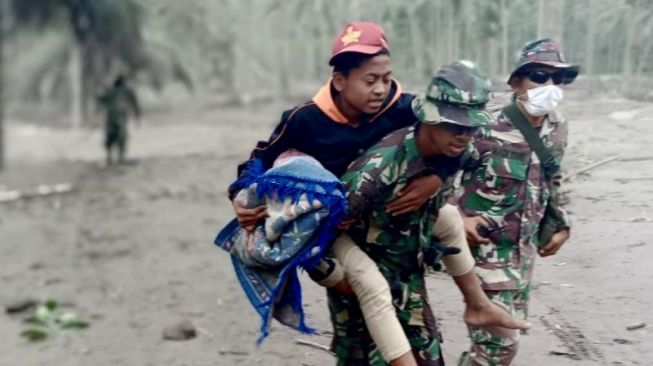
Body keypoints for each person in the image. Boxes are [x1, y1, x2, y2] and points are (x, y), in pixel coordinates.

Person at [327, 61, 527, 366]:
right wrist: (335, 278)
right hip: (362, 298)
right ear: (429, 119)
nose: (464, 136)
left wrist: (440, 183)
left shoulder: (457, 150)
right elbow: (312, 237)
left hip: (410, 286)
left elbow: (480, 156)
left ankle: (477, 304)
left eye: (471, 127)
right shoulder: (375, 172)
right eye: (455, 126)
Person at [455, 39, 579, 365]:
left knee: (493, 349)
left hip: (523, 253)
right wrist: (455, 219)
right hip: (483, 250)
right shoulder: (483, 123)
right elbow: (438, 170)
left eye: (558, 78)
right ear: (515, 81)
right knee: (499, 348)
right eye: (539, 75)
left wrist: (562, 222)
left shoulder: (557, 125)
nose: (549, 86)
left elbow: (554, 176)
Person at [97, 75, 141, 165]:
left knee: (114, 137)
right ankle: (116, 158)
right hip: (117, 118)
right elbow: (135, 105)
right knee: (117, 137)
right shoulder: (124, 91)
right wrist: (137, 117)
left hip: (114, 118)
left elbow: (100, 99)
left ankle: (113, 157)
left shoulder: (114, 91)